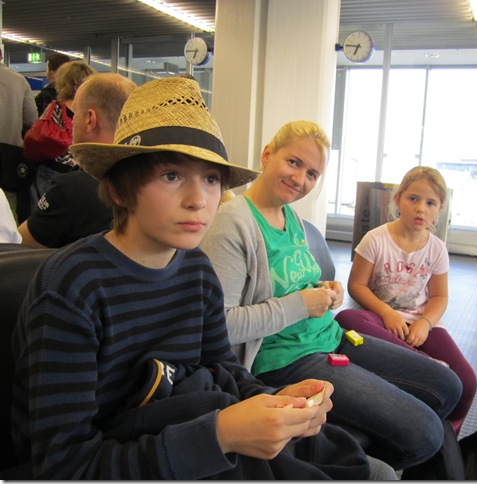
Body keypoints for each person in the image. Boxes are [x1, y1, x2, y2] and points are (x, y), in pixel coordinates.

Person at [11, 78, 396, 480]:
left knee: (373, 471)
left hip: (189, 432)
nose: (198, 200)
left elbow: (224, 367)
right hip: (142, 457)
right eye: (171, 176)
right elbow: (63, 466)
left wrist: (273, 400)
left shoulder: (196, 269)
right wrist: (219, 436)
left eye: (211, 179)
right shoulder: (71, 288)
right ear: (121, 190)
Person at [201, 120, 463, 476]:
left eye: (312, 173)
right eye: (293, 163)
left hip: (332, 337)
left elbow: (294, 282)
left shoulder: (290, 217)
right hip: (286, 359)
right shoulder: (233, 224)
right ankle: (344, 460)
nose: (300, 179)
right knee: (425, 433)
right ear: (267, 155)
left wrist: (326, 288)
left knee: (448, 387)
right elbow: (221, 325)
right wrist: (301, 304)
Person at [334, 166, 477, 437]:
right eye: (413, 199)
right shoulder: (375, 239)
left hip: (419, 320)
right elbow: (357, 286)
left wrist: (425, 323)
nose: (421, 208)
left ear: (440, 209)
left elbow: (439, 296)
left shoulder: (437, 248)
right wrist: (387, 313)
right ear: (398, 200)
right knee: (346, 319)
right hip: (378, 318)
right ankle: (425, 363)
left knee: (467, 382)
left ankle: (447, 439)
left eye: (430, 203)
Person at [18, 73, 136, 248]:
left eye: (75, 113)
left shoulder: (72, 189)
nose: (72, 121)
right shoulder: (145, 178)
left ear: (89, 120)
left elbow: (20, 244)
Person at [27, 61, 96, 212]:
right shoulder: (90, 111)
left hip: (51, 168)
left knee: (47, 216)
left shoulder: (55, 107)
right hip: (79, 171)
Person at [0, 45, 38, 222]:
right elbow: (32, 119)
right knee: (8, 210)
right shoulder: (19, 80)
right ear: (1, 56)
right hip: (8, 157)